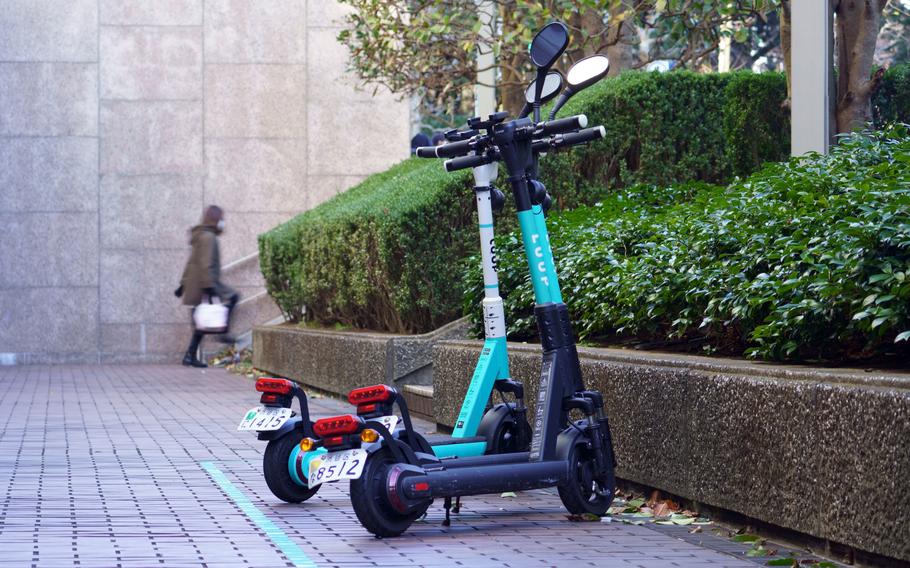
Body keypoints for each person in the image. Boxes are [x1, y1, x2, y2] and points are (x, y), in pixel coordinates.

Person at [174, 205, 239, 367]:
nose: (223, 222)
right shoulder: (209, 237)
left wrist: (182, 285)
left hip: (196, 285)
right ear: (216, 219)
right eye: (221, 219)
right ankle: (222, 333)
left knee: (200, 324)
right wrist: (210, 287)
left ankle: (189, 357)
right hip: (206, 283)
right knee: (233, 297)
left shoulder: (200, 236)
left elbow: (191, 262)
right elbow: (205, 264)